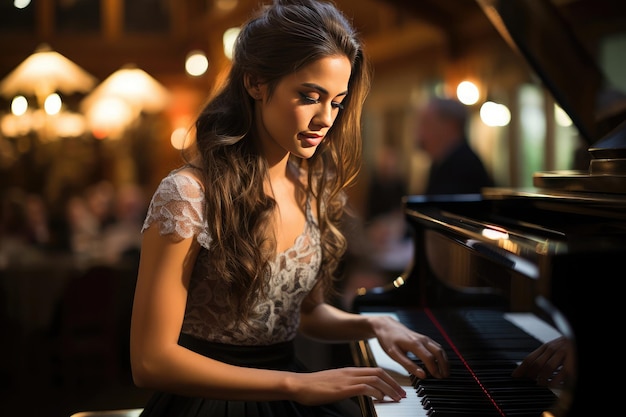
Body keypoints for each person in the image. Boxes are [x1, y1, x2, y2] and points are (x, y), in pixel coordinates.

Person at [129, 1, 450, 416]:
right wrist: (296, 385)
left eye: (337, 101)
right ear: (256, 83)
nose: (325, 118)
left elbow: (306, 314)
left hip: (290, 388)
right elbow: (150, 362)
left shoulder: (313, 185)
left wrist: (374, 324)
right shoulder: (188, 195)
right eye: (309, 96)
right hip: (209, 404)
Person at [415, 96, 494, 195]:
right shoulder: (441, 163)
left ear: (450, 126)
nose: (420, 134)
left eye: (427, 124)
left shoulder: (464, 166)